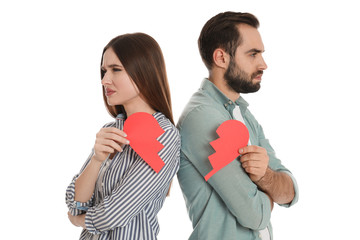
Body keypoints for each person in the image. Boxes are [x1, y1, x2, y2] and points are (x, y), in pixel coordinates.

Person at [177, 12, 299, 240]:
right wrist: (270, 191)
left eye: (261, 54)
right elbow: (255, 215)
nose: (264, 64)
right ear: (221, 58)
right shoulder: (201, 116)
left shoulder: (242, 113)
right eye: (253, 54)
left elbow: (290, 192)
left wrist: (264, 177)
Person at [65, 33, 180, 240]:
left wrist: (79, 221)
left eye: (116, 70)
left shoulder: (165, 135)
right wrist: (96, 160)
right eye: (104, 71)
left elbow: (114, 213)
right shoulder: (111, 130)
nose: (104, 80)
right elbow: (75, 203)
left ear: (144, 72)